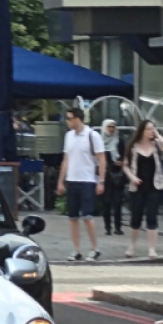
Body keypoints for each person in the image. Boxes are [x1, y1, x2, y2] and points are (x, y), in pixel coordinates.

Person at [56, 107, 105, 261]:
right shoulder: (69, 136)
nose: (67, 121)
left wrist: (101, 181)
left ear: (78, 118)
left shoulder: (92, 135)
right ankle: (76, 249)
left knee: (88, 216)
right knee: (72, 217)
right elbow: (66, 159)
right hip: (72, 179)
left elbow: (102, 159)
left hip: (87, 179)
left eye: (69, 118)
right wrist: (61, 180)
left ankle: (94, 248)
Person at [122, 119, 163, 259]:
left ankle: (152, 248)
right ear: (142, 131)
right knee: (136, 218)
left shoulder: (157, 145)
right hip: (138, 186)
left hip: (155, 186)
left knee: (152, 216)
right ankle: (132, 245)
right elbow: (125, 165)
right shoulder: (133, 147)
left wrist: (158, 135)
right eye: (149, 129)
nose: (151, 131)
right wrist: (132, 177)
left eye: (153, 129)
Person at [100, 119, 125, 236]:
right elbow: (99, 159)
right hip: (105, 176)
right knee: (106, 202)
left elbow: (124, 156)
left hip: (118, 176)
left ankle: (118, 227)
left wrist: (121, 162)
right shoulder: (100, 142)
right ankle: (107, 227)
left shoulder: (119, 141)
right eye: (109, 127)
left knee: (117, 202)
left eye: (113, 127)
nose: (111, 129)